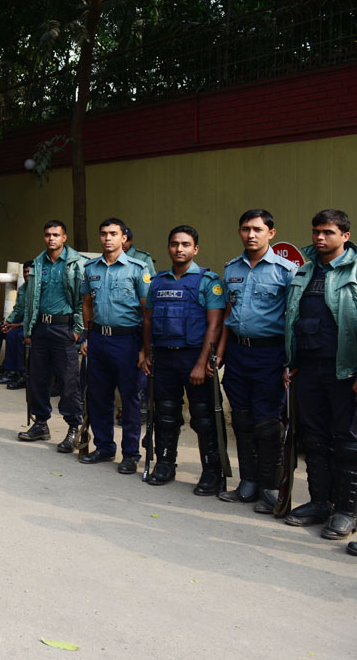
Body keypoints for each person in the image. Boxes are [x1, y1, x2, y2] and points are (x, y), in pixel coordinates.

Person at [283, 209, 357, 546]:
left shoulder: (354, 271)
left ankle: (347, 510)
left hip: (345, 371)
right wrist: (292, 359)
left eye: (327, 232)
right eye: (316, 232)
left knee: (347, 443)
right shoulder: (306, 269)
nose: (319, 238)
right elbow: (294, 317)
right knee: (313, 439)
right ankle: (319, 502)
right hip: (309, 369)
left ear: (345, 234)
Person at [217, 209, 298, 513]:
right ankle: (247, 482)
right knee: (241, 418)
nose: (251, 234)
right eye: (246, 229)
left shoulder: (286, 271)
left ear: (271, 233)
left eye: (258, 229)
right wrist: (222, 351)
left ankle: (270, 486)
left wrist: (290, 361)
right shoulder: (231, 269)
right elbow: (228, 314)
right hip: (238, 352)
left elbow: (293, 319)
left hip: (270, 353)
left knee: (266, 424)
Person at [141, 225, 227, 493]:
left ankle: (212, 472)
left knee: (204, 417)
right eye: (175, 244)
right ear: (168, 247)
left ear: (195, 249)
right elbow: (148, 320)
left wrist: (203, 363)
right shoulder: (157, 282)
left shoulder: (208, 281)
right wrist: (146, 353)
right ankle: (166, 464)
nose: (180, 249)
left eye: (186, 244)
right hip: (164, 357)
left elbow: (215, 325)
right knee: (165, 414)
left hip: (194, 357)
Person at [78, 218, 150, 473]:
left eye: (113, 234)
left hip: (127, 341)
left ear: (123, 238)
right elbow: (87, 303)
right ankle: (105, 446)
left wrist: (145, 349)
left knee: (129, 399)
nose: (108, 238)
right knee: (99, 395)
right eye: (104, 234)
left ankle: (130, 454)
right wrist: (87, 337)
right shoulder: (91, 268)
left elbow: (146, 311)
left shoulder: (137, 268)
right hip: (98, 339)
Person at [18, 220, 87, 450]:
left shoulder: (77, 264)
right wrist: (29, 329)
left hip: (64, 328)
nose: (51, 239)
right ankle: (41, 424)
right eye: (47, 234)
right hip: (40, 328)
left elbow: (82, 300)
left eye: (56, 234)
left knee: (68, 381)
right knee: (38, 378)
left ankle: (73, 428)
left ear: (64, 237)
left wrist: (77, 331)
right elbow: (30, 299)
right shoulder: (38, 263)